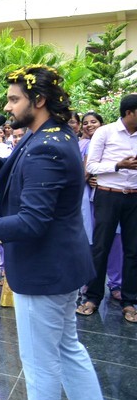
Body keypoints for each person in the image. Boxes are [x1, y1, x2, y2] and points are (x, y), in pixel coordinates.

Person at [0, 65, 103, 400]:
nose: (6, 107)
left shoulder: (44, 146)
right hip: (60, 266)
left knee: (39, 364)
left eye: (13, 99)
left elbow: (32, 222)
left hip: (43, 271)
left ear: (38, 100)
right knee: (68, 348)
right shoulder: (52, 135)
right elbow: (13, 176)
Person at [79, 94, 137, 322]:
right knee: (100, 247)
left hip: (134, 197)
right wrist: (119, 165)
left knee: (133, 250)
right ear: (130, 112)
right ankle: (93, 298)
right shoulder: (106, 132)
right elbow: (92, 165)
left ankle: (130, 301)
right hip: (107, 195)